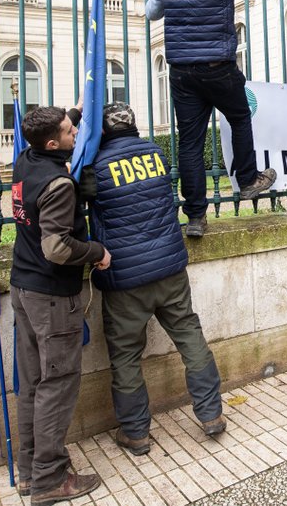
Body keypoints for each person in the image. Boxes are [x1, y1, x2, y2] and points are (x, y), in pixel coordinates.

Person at [145, 0, 287, 237]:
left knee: (190, 142)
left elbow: (152, 12)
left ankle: (195, 218)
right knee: (240, 115)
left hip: (181, 70)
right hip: (217, 66)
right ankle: (247, 181)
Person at [85, 103, 226, 456]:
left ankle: (136, 434)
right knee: (190, 337)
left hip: (124, 277)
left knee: (126, 356)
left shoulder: (96, 165)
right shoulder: (154, 153)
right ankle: (211, 415)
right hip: (169, 266)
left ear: (103, 130)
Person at [10, 105, 110, 505]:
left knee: (33, 384)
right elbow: (56, 247)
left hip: (23, 288)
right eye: (70, 131)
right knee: (57, 385)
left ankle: (29, 472)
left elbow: (48, 130)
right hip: (51, 296)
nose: (75, 135)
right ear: (53, 143)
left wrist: (75, 109)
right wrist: (96, 251)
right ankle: (50, 479)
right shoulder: (58, 184)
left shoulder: (25, 158)